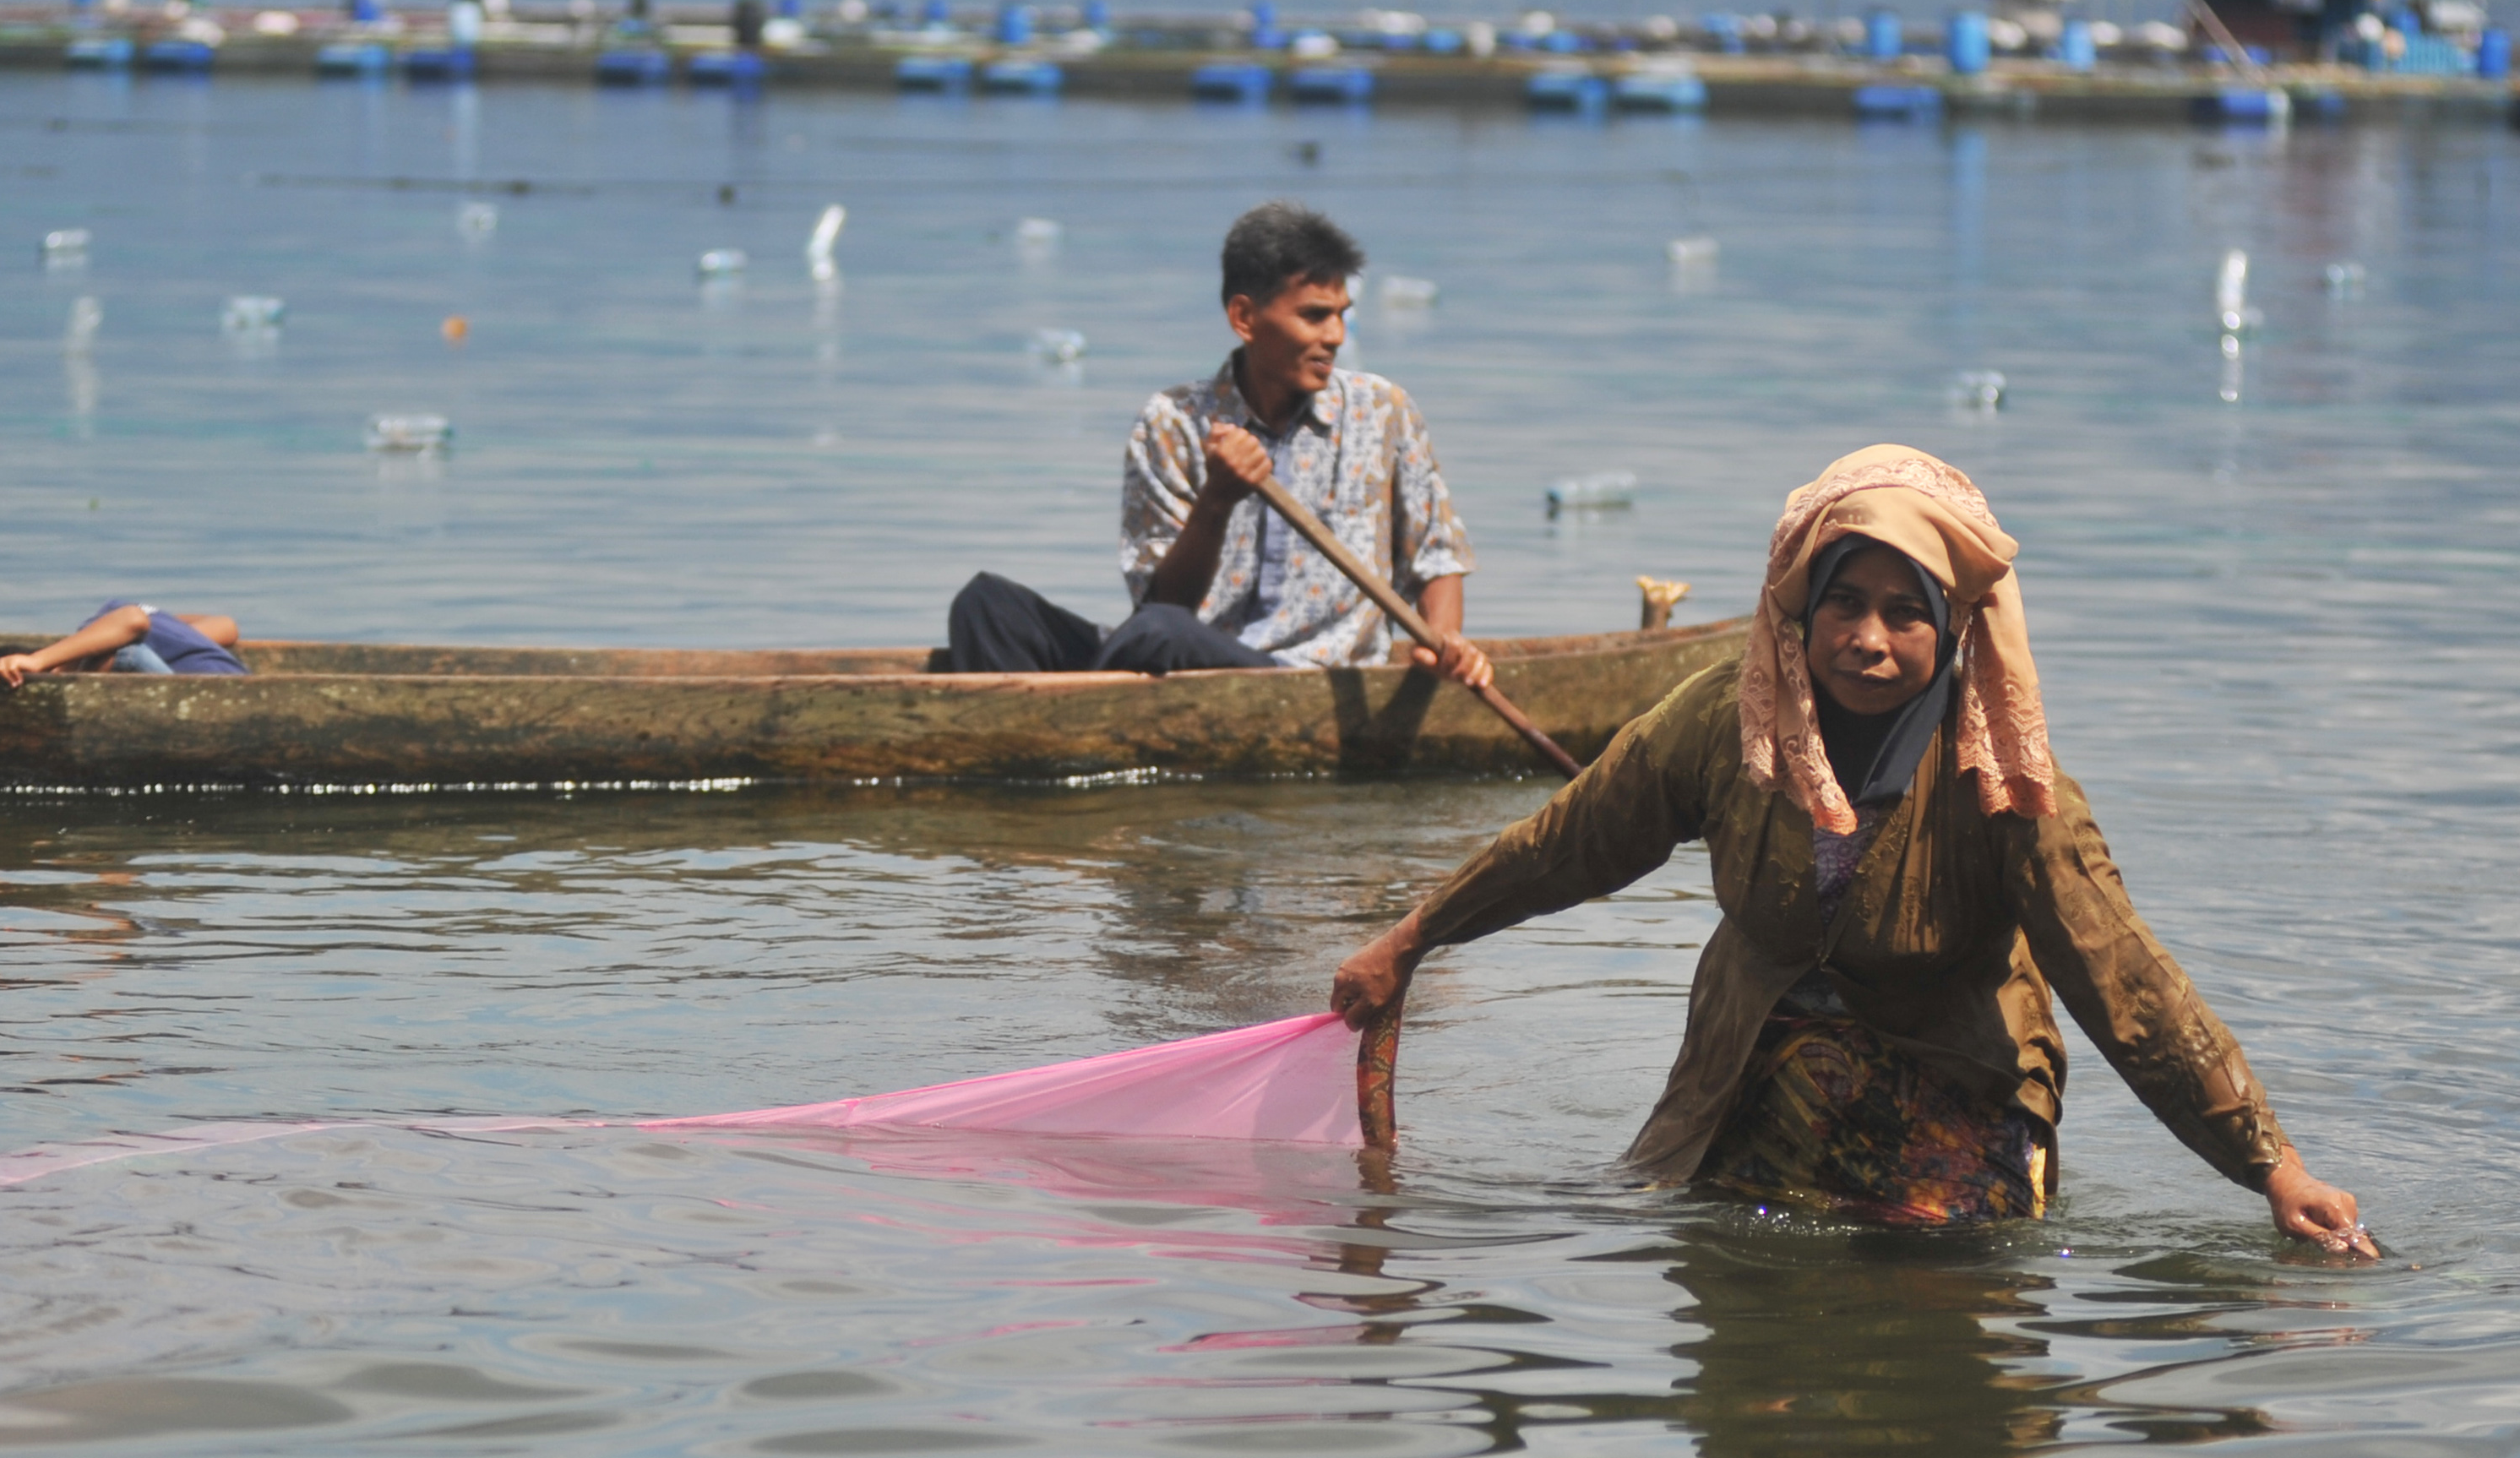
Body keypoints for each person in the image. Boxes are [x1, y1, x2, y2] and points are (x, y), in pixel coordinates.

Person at [1328, 443, 2374, 1251]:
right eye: (1843, 602)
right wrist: (1414, 938)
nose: (1866, 640)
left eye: (1901, 613)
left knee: (1929, 1291)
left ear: (1951, 630)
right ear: (1802, 607)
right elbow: (1569, 843)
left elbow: (2124, 979)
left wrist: (2270, 1166)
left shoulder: (2005, 786)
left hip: (1949, 1075)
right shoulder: (1725, 722)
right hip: (1746, 1070)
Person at [945, 199, 1491, 687]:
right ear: (1245, 318)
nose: (1336, 337)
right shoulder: (1174, 421)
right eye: (1314, 315)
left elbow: (1435, 555)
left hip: (1303, 677)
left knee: (1158, 635)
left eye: (1342, 316)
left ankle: (1059, 725)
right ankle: (1045, 728)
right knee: (987, 604)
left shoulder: (1383, 411)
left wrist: (1445, 642)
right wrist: (1217, 500)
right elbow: (1163, 603)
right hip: (1183, 655)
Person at [0, 598, 246, 685]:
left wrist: (38, 662)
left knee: (122, 657)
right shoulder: (161, 626)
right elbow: (227, 627)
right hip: (240, 684)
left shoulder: (103, 623)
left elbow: (133, 620)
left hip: (208, 701)